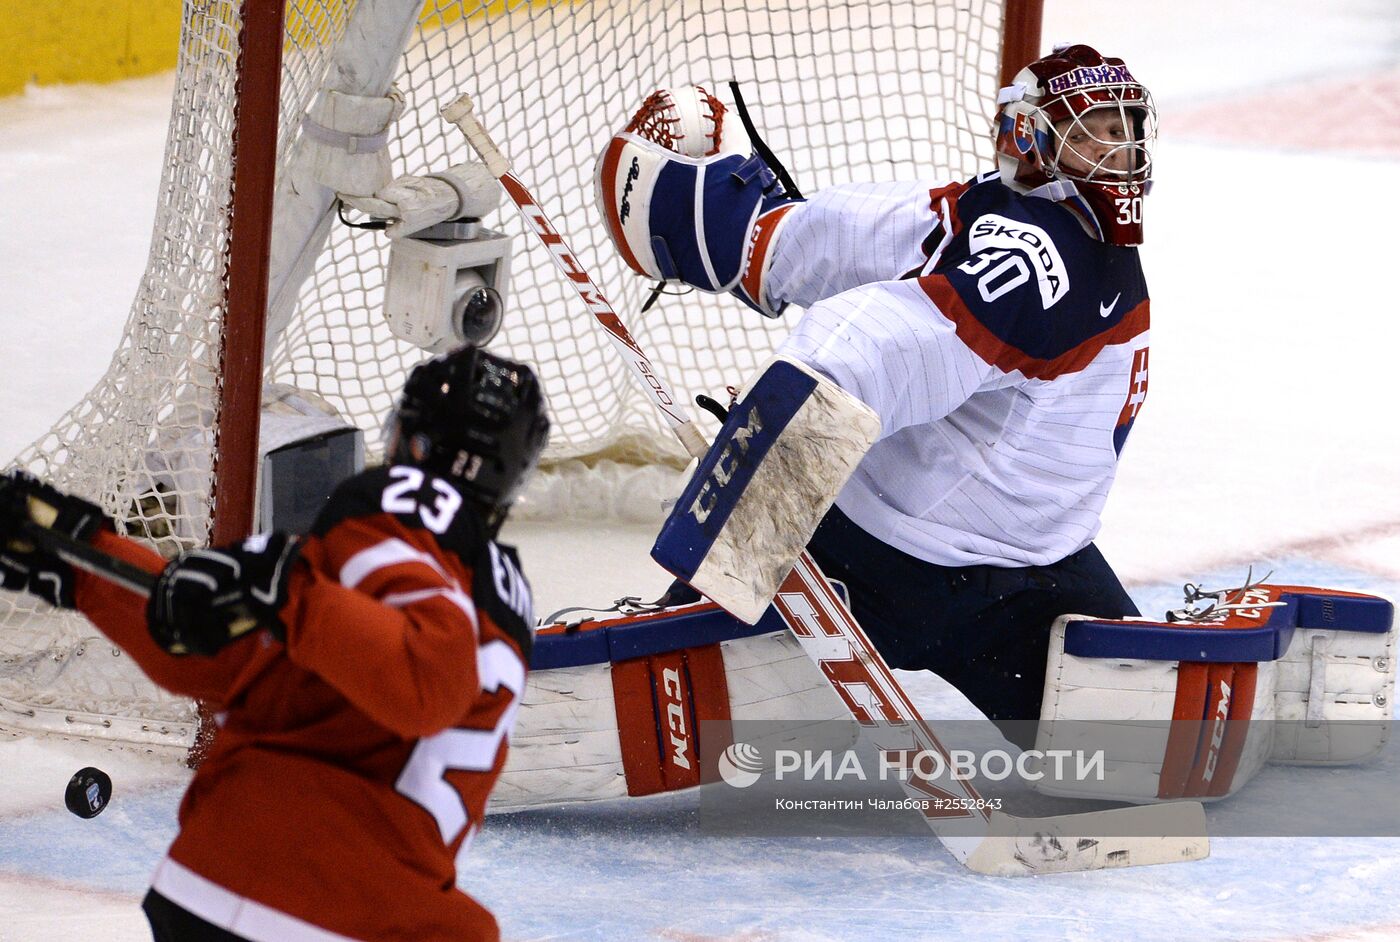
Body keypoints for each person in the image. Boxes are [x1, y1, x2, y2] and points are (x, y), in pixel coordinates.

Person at [596, 45, 1156, 745]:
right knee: (1145, 750)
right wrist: (777, 445)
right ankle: (673, 638)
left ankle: (678, 644)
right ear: (1030, 140)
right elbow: (873, 343)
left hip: (1028, 579)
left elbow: (877, 229)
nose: (1120, 151)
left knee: (1147, 749)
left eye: (1124, 128)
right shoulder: (1032, 260)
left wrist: (760, 238)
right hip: (879, 570)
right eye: (1091, 131)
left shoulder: (997, 211)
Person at [0, 345, 550, 941]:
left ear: (413, 444)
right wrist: (82, 559)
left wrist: (280, 584)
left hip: (224, 881)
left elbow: (423, 682)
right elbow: (210, 636)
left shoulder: (386, 533)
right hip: (358, 909)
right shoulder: (496, 599)